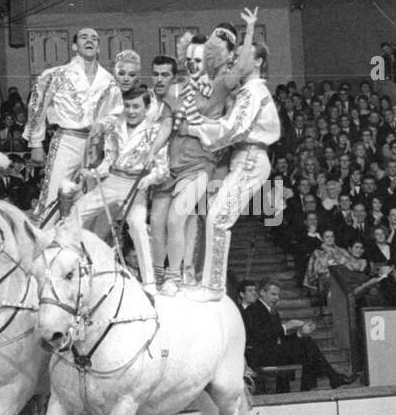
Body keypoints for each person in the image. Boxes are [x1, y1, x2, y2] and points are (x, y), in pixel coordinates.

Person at [183, 31, 279, 298]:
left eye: (243, 56)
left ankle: (213, 287)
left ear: (257, 62)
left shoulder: (253, 91)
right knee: (215, 213)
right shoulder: (248, 90)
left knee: (217, 217)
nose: (237, 60)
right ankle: (209, 283)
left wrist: (196, 129)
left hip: (250, 157)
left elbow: (232, 129)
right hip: (246, 156)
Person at [68, 86, 169, 288]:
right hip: (112, 182)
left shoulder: (155, 131)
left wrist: (149, 180)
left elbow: (163, 170)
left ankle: (149, 281)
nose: (131, 111)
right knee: (77, 211)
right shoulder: (116, 126)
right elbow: (109, 160)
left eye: (136, 107)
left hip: (136, 185)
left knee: (138, 226)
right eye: (127, 106)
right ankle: (74, 263)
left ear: (147, 107)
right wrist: (94, 171)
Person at [22, 27, 121, 224]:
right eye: (84, 37)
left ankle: (82, 247)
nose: (89, 41)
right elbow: (37, 106)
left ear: (99, 47)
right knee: (54, 194)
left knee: (90, 199)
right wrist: (36, 143)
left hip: (96, 144)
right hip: (67, 140)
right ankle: (44, 241)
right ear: (75, 45)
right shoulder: (56, 74)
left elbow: (117, 112)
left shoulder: (109, 80)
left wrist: (102, 125)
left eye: (94, 38)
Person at [242, 279, 354, 391]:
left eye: (278, 295)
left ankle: (316, 384)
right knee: (307, 344)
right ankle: (324, 381)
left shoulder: (273, 312)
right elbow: (260, 336)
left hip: (273, 352)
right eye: (273, 294)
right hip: (261, 355)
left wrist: (300, 333)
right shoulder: (252, 310)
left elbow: (280, 339)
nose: (277, 298)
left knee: (307, 345)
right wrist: (286, 326)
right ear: (262, 292)